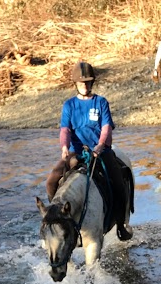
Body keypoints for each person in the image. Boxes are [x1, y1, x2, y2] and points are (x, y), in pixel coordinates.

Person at [45, 61, 133, 241]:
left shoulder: (101, 102)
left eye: (87, 82)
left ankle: (120, 225)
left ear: (92, 83)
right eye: (81, 82)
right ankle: (58, 220)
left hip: (100, 152)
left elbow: (106, 127)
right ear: (75, 84)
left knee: (118, 183)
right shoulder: (69, 105)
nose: (84, 85)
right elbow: (65, 130)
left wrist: (101, 145)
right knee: (51, 181)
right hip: (75, 152)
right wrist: (64, 147)